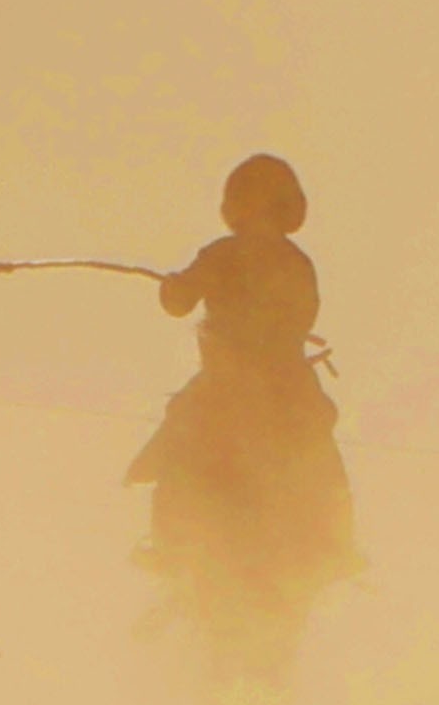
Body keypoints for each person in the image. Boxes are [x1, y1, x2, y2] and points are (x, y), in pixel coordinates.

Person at [123, 154, 361, 660]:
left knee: (181, 428)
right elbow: (301, 313)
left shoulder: (222, 253)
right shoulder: (299, 261)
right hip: (288, 386)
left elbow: (179, 302)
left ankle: (168, 541)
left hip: (228, 387)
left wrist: (173, 286)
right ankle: (335, 540)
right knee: (319, 444)